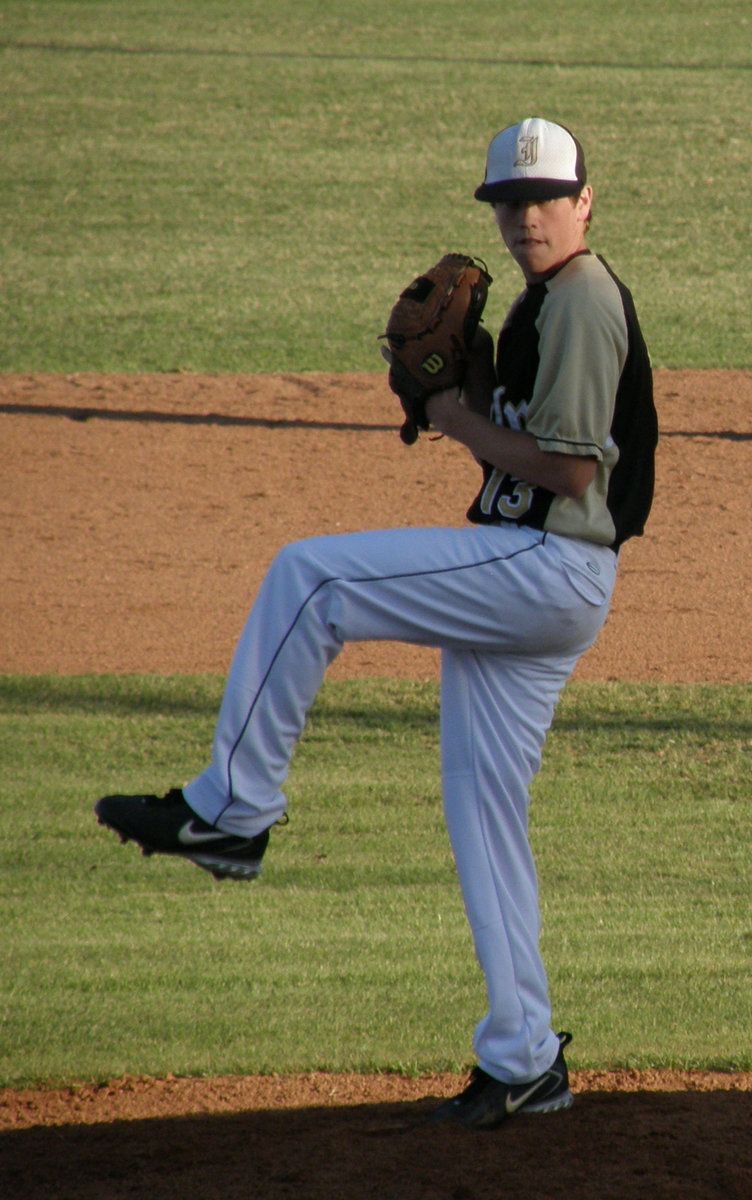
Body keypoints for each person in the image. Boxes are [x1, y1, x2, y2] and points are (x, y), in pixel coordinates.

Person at [95, 116, 658, 1130]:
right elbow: (519, 454)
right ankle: (524, 1056)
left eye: (544, 198)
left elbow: (570, 473)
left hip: (546, 568)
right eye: (508, 202)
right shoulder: (542, 304)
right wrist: (473, 395)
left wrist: (451, 419)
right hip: (542, 571)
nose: (526, 217)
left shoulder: (579, 301)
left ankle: (232, 811)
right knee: (483, 814)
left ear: (584, 201)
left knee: (310, 579)